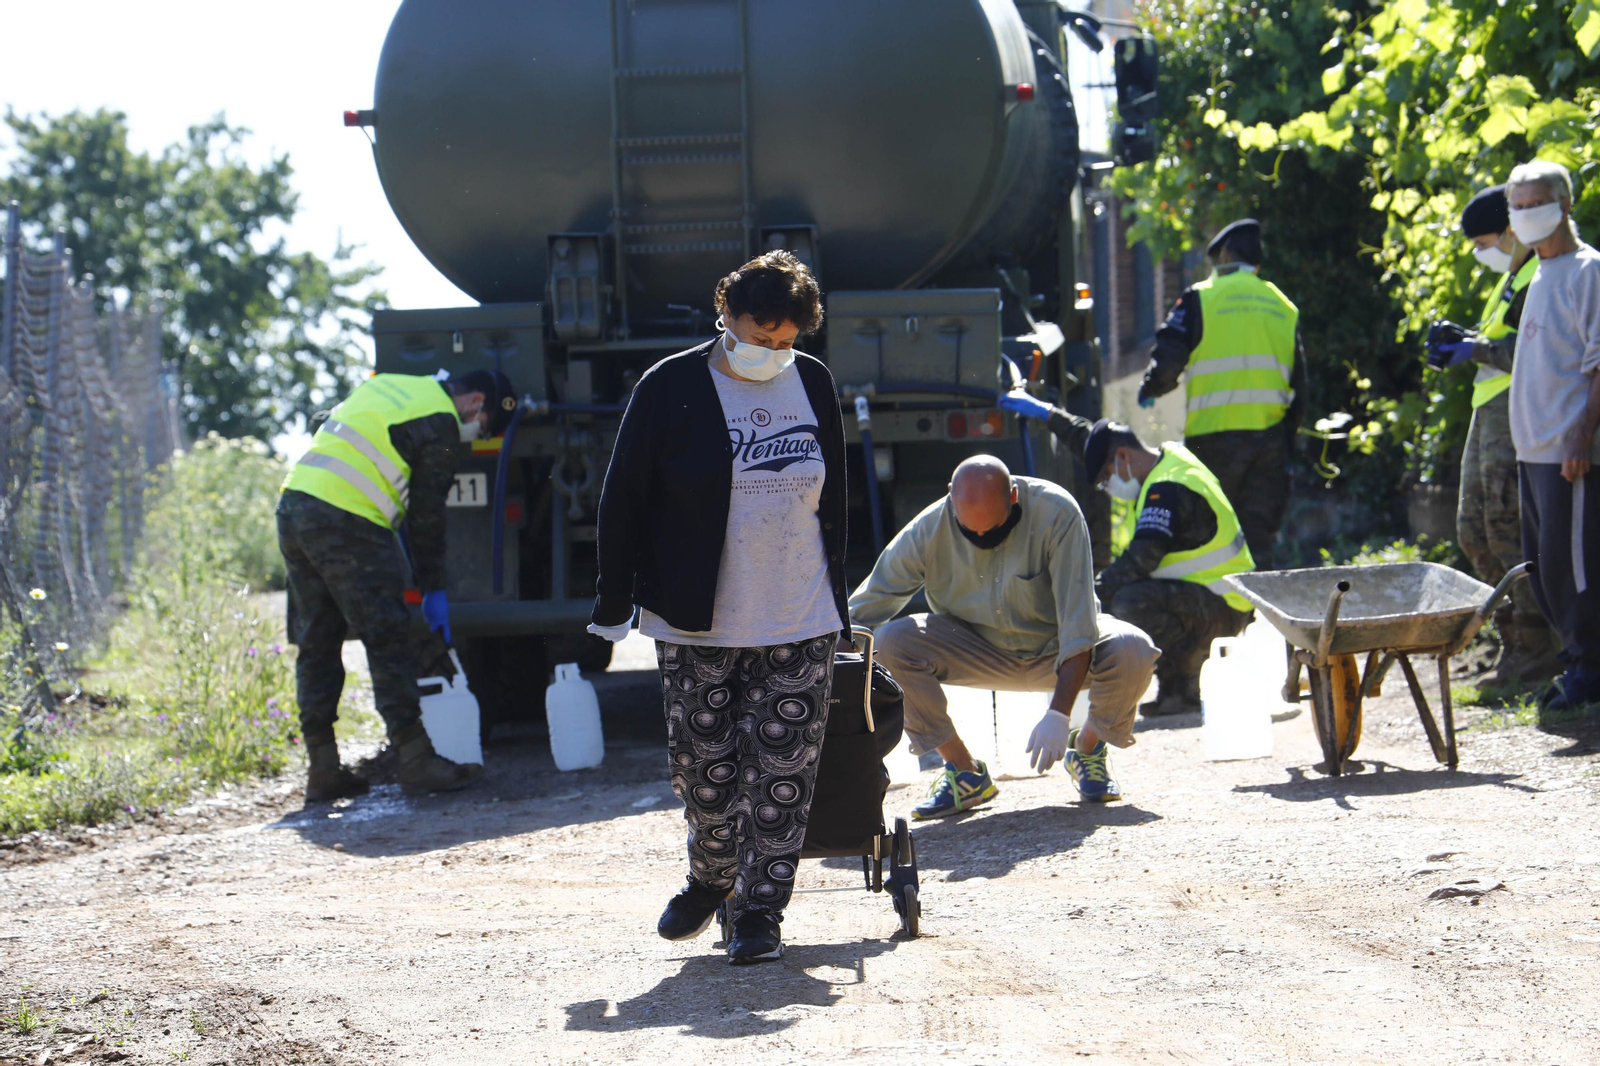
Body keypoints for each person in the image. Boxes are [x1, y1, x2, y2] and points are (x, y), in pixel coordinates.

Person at [587, 250, 849, 965]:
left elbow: (839, 498)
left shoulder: (814, 384)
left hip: (799, 613)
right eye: (757, 334)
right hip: (695, 616)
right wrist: (614, 600)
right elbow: (624, 497)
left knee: (783, 774)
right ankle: (711, 877)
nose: (770, 351)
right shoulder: (670, 385)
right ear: (724, 315)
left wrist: (841, 600)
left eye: (784, 340)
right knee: (706, 772)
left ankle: (761, 914)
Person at [848, 456, 1159, 815]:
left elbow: (1078, 622)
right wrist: (820, 661)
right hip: (978, 649)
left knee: (1133, 649)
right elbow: (863, 610)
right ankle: (965, 774)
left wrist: (1059, 714)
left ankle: (1087, 750)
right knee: (888, 643)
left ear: (1013, 497)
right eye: (970, 531)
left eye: (993, 529)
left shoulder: (1057, 514)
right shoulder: (928, 529)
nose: (982, 537)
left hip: (1056, 647)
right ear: (951, 498)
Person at [277, 368, 515, 802]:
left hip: (295, 505)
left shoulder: (391, 384)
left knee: (318, 640)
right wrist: (433, 589)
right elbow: (427, 518)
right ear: (476, 403)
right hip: (347, 519)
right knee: (386, 636)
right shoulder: (441, 419)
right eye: (482, 427)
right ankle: (415, 757)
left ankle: (323, 767)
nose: (475, 435)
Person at [998, 397, 1254, 716]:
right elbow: (1092, 440)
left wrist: (1077, 603)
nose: (1107, 487)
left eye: (1106, 477)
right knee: (1124, 598)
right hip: (1210, 598)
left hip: (1222, 607)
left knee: (1128, 603)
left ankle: (1183, 688)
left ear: (1122, 456)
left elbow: (1138, 563)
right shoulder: (1166, 461)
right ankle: (1176, 689)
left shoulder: (1168, 490)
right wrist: (1049, 415)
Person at [1427, 185, 1555, 684]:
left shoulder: (1539, 275)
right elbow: (1499, 340)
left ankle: (1536, 647)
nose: (1483, 253)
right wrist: (1463, 340)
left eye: (1486, 241)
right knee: (1473, 530)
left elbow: (1531, 353)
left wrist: (1472, 349)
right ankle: (1513, 641)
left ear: (1512, 231)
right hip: (1490, 415)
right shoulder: (1512, 278)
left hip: (1513, 414)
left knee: (1506, 529)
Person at [1136, 218, 1306, 569]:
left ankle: (1217, 612)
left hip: (1212, 442)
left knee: (1209, 532)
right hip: (1268, 442)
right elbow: (1300, 387)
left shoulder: (1199, 299)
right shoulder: (1283, 307)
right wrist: (1285, 444)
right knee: (1259, 539)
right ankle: (1260, 615)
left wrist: (1152, 388)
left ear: (1225, 253)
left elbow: (1168, 362)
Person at [1504, 159, 1600, 710]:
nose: (1523, 216)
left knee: (1577, 567)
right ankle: (1577, 659)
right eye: (1515, 206)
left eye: (1533, 204)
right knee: (1545, 568)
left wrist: (1581, 435)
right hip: (1531, 450)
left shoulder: (1588, 272)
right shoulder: (1537, 273)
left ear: (1564, 205)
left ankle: (1593, 668)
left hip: (1567, 452)